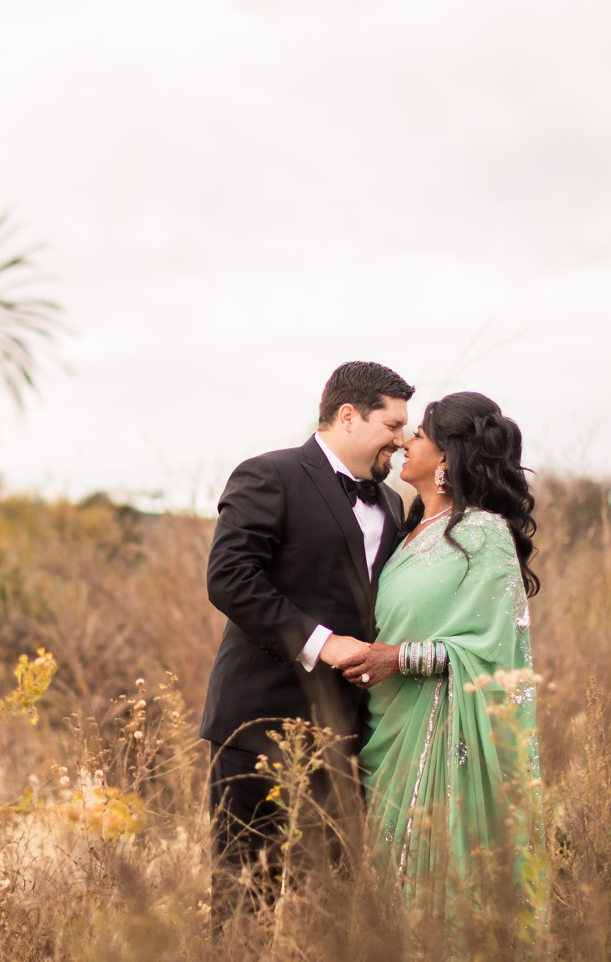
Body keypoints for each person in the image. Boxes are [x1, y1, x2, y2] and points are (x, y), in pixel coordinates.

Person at [200, 361, 413, 917]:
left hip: (350, 740)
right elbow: (230, 579)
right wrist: (323, 642)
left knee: (334, 913)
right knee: (245, 903)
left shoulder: (392, 504)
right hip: (259, 726)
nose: (404, 439)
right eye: (393, 425)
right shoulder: (269, 475)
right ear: (349, 416)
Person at [333, 391, 542, 916]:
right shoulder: (406, 531)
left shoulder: (484, 535)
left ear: (447, 456)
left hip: (444, 733)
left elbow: (490, 649)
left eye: (419, 434)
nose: (404, 441)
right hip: (387, 727)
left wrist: (396, 660)